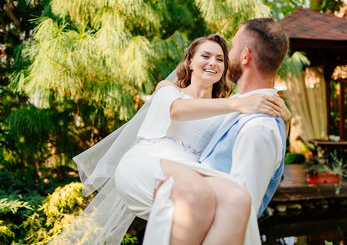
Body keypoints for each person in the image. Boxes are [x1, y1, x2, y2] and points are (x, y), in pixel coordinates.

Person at [49, 34, 289, 245]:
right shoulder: (168, 90)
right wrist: (239, 103)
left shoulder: (224, 111)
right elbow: (177, 111)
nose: (213, 63)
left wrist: (283, 121)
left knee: (238, 200)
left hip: (189, 172)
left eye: (220, 59)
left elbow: (254, 133)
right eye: (205, 55)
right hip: (148, 162)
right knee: (199, 192)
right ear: (190, 62)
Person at [168, 17, 290, 243]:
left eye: (233, 46)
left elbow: (239, 212)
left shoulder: (259, 127)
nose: (227, 54)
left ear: (245, 56)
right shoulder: (240, 105)